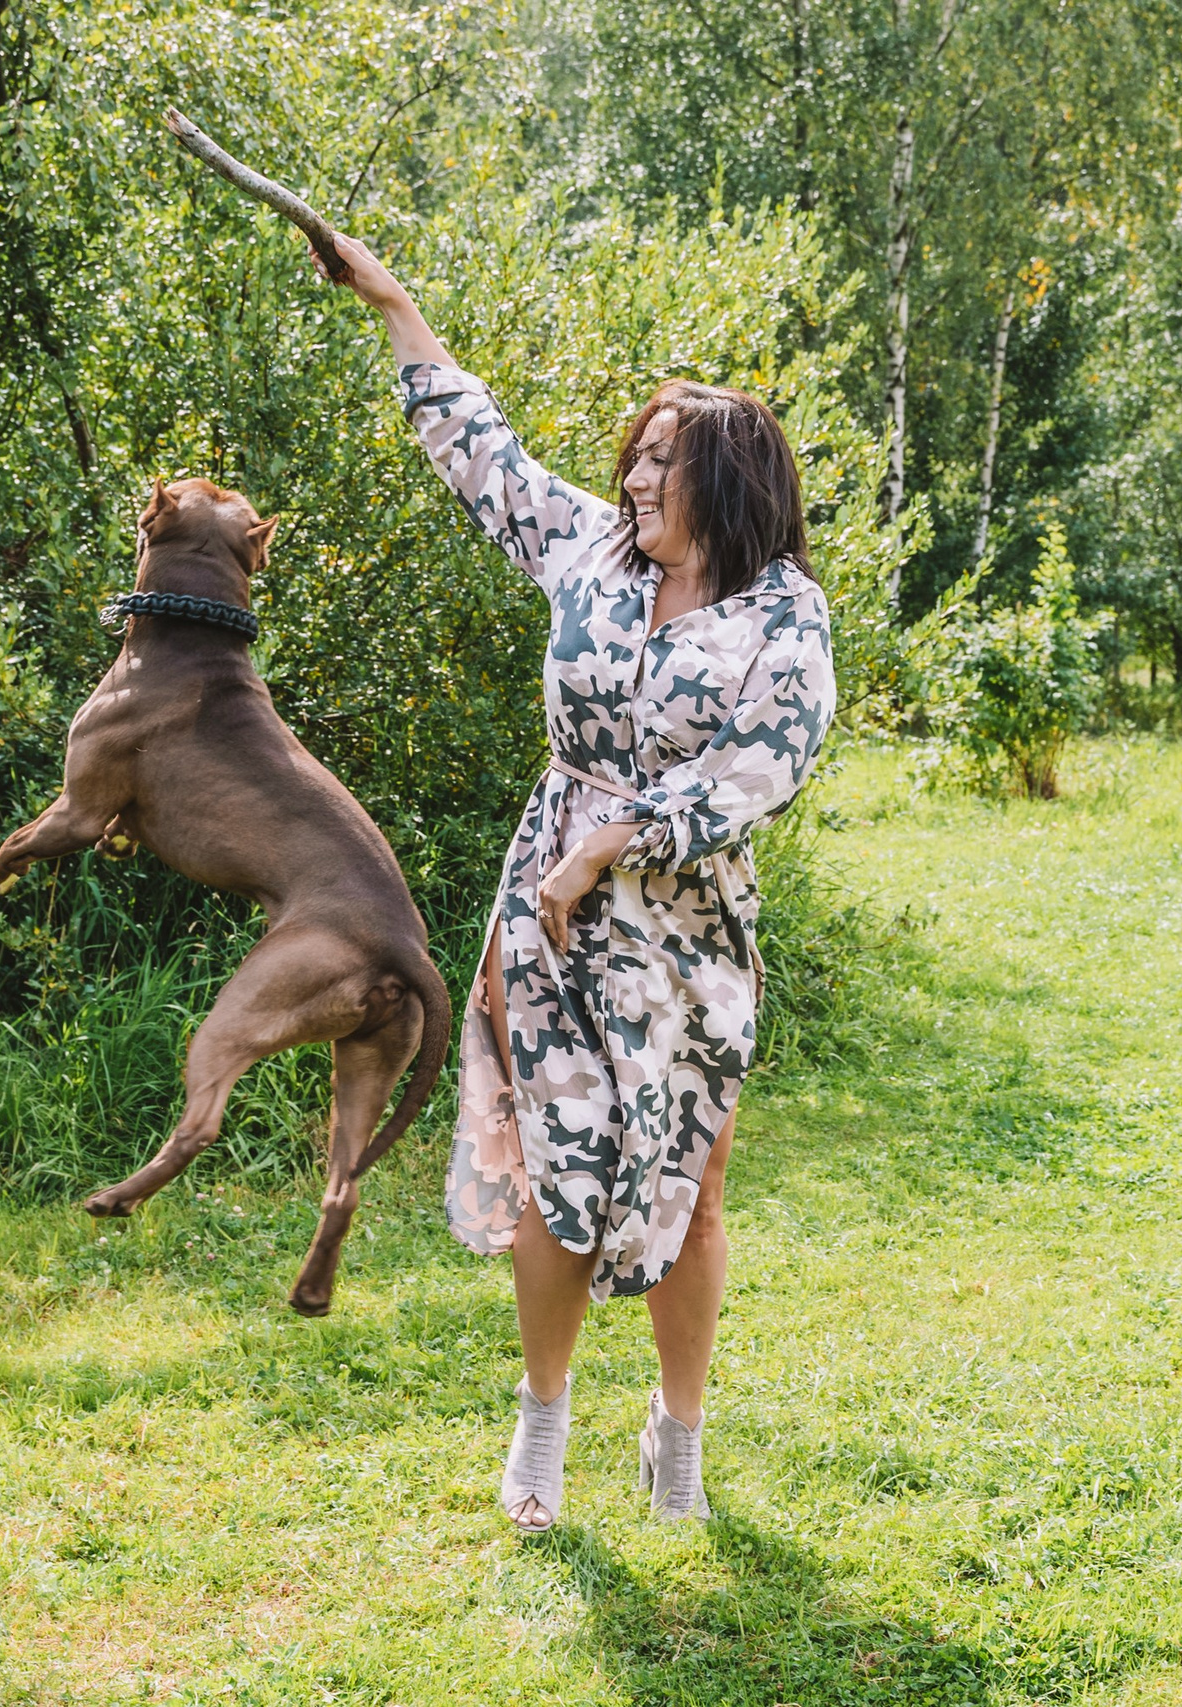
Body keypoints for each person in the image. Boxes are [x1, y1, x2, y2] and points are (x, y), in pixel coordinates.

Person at [315, 231, 837, 1531]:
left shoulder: (781, 614)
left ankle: (678, 1436)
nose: (636, 476)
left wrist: (622, 834)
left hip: (683, 934)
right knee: (562, 1167)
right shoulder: (591, 558)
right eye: (637, 456)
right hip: (548, 913)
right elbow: (479, 452)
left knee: (683, 1182)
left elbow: (768, 762)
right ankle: (541, 1425)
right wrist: (398, 307)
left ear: (727, 483)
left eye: (664, 461)